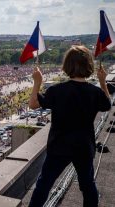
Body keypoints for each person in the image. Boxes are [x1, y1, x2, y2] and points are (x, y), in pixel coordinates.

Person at [28, 45, 111, 207]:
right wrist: (102, 82)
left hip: (59, 145)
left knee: (44, 185)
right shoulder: (94, 92)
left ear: (67, 66)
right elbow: (107, 105)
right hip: (84, 146)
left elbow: (33, 104)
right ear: (89, 66)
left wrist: (37, 82)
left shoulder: (56, 90)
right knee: (87, 186)